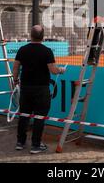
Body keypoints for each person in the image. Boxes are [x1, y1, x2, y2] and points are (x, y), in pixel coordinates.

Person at [12, 25, 66, 154]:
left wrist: (15, 80)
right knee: (40, 117)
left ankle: (20, 142)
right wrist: (61, 70)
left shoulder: (22, 49)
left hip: (26, 88)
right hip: (41, 89)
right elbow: (53, 70)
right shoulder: (46, 51)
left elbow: (15, 67)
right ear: (42, 36)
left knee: (24, 115)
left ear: (31, 35)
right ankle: (36, 145)